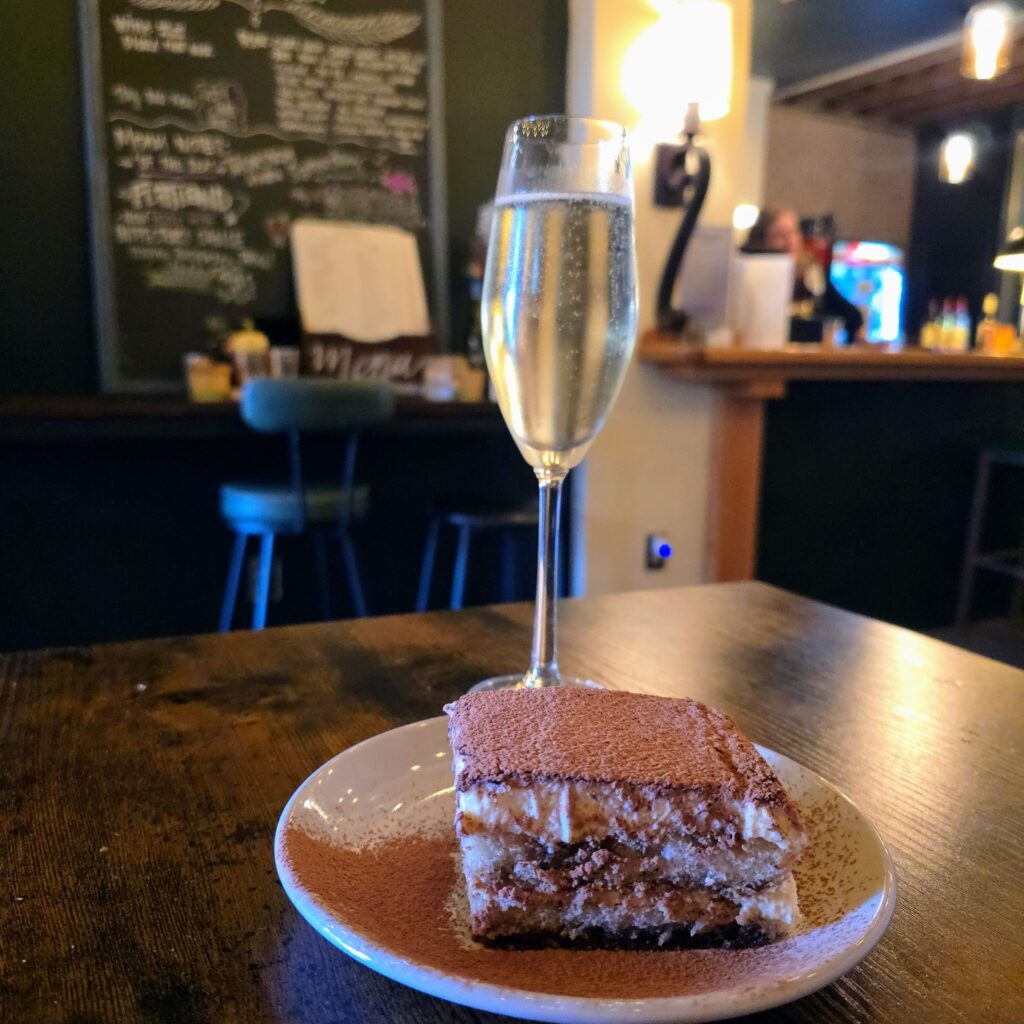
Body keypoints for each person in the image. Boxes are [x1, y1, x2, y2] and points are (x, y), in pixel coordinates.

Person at [743, 208, 865, 344]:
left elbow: (852, 316)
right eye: (780, 236)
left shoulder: (812, 273)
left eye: (793, 233)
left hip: (808, 354)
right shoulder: (752, 278)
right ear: (763, 241)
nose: (789, 241)